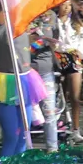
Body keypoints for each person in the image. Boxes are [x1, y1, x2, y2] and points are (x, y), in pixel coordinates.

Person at [0, 1, 45, 157]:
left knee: (24, 135)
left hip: (25, 79)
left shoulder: (20, 20)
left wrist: (34, 38)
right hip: (5, 82)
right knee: (12, 135)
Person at [55, 0, 83, 145]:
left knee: (75, 96)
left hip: (73, 56)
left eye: (69, 5)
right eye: (63, 5)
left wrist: (80, 53)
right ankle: (60, 125)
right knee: (60, 96)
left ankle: (76, 129)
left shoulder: (76, 24)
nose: (66, 8)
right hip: (58, 56)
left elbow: (82, 43)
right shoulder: (52, 22)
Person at [29, 10, 61, 153]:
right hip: (26, 71)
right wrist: (38, 42)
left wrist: (40, 42)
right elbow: (20, 45)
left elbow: (55, 41)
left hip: (46, 71)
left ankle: (52, 148)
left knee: (49, 111)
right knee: (25, 111)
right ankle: (23, 148)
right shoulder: (24, 13)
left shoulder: (51, 15)